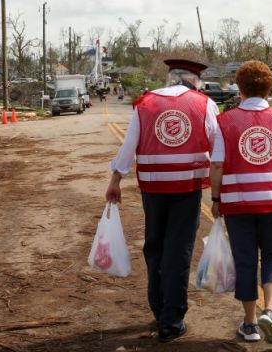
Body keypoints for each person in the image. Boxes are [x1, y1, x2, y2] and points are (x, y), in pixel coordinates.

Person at [106, 59, 219, 343]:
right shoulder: (203, 103)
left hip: (153, 188)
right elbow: (219, 149)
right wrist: (223, 188)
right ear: (193, 80)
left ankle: (159, 308)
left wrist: (115, 180)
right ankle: (172, 320)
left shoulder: (146, 103)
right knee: (178, 250)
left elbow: (129, 144)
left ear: (171, 78)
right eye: (199, 83)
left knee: (155, 246)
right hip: (187, 188)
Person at [209, 60, 272, 345]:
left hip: (238, 205)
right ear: (269, 88)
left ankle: (250, 324)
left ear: (239, 88)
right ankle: (271, 310)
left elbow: (216, 165)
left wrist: (215, 199)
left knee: (245, 261)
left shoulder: (225, 121)